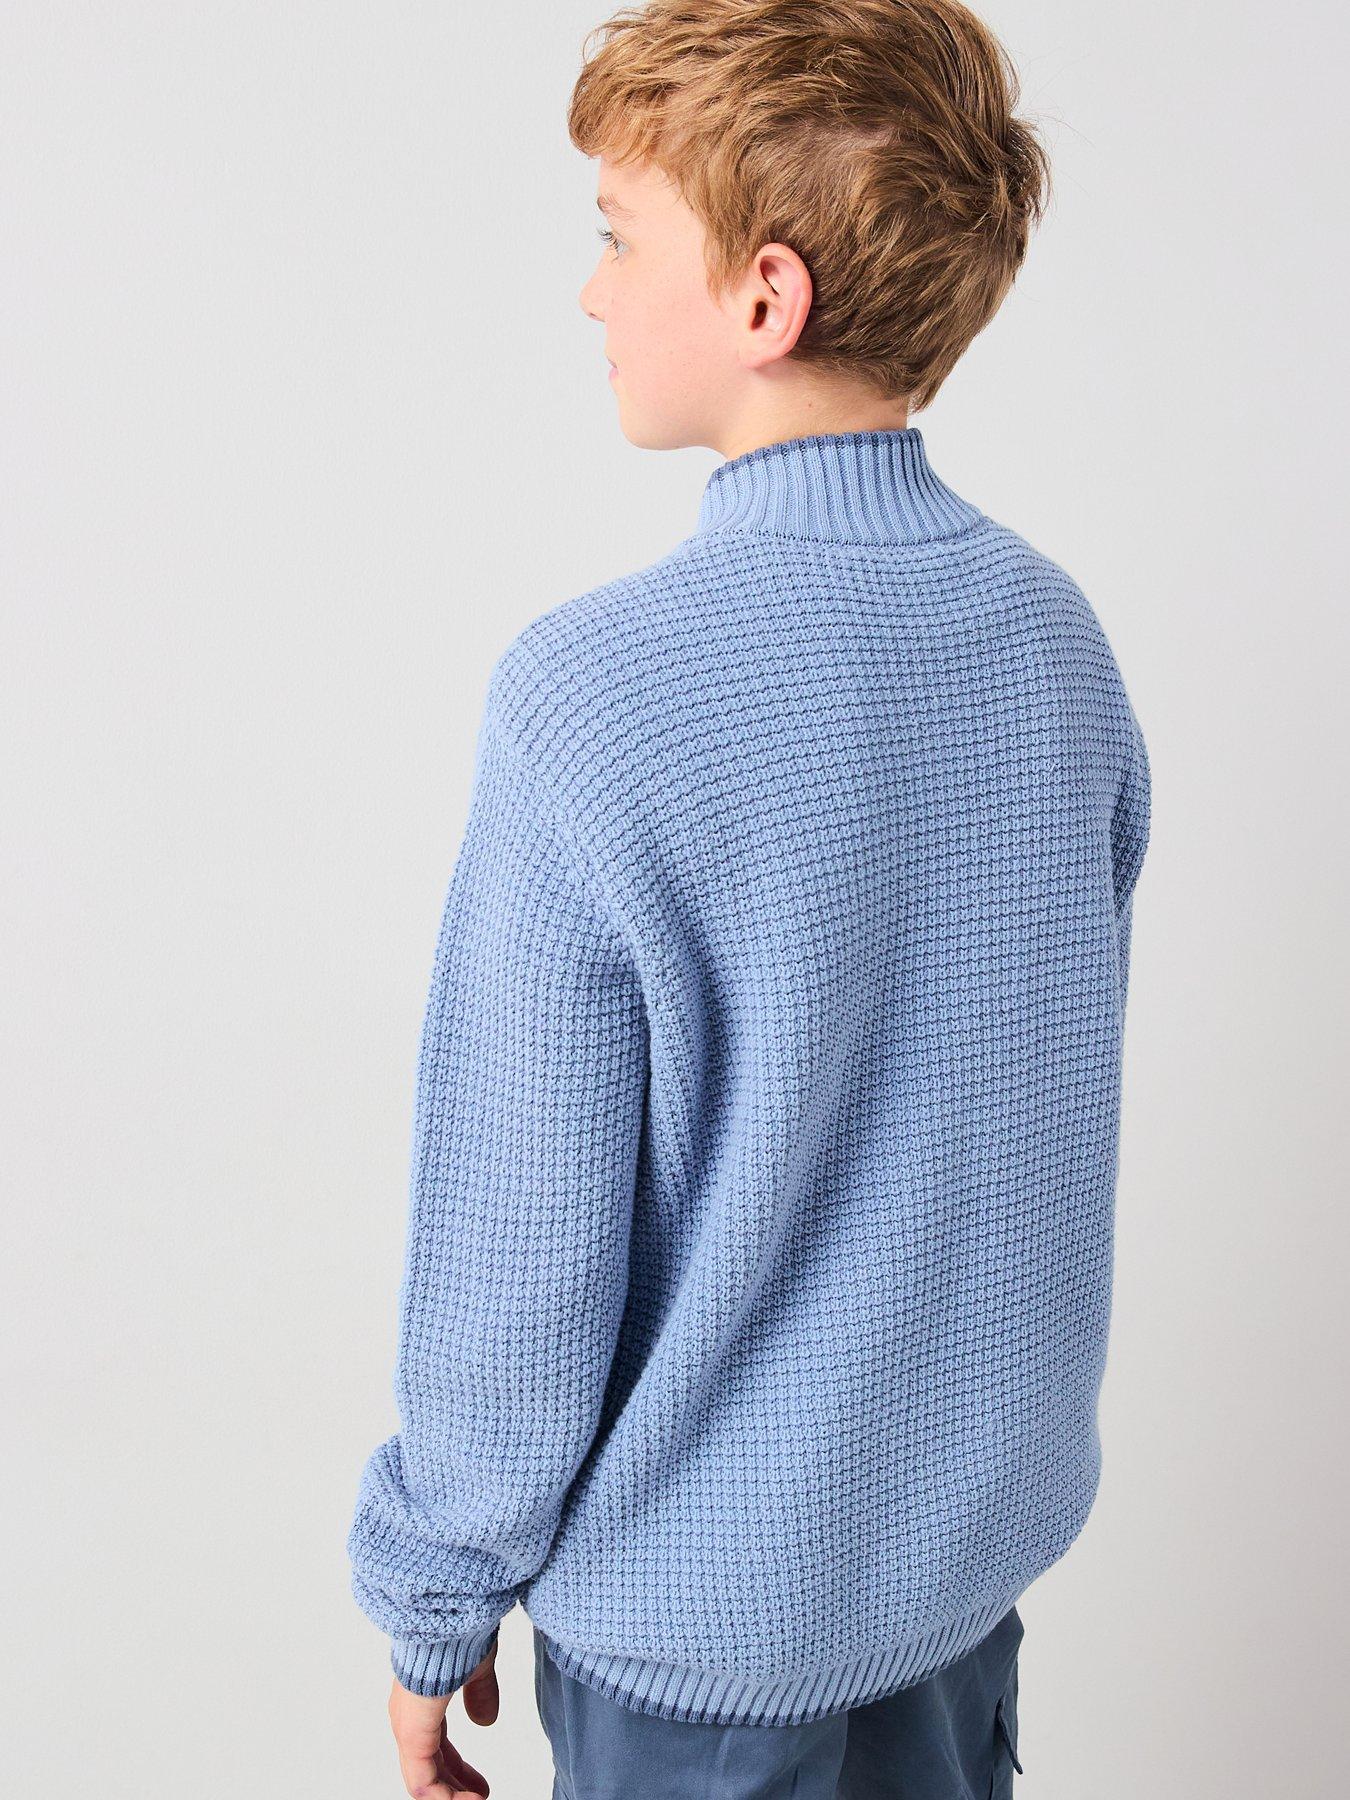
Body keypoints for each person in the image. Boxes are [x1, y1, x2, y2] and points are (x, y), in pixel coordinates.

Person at [346, 2, 1152, 1795]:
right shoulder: (1049, 649)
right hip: (956, 1595)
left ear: (764, 299)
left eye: (621, 237)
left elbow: (517, 1248)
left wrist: (432, 1593)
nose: (591, 291)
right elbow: (1024, 1123)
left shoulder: (591, 698)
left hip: (698, 1659)